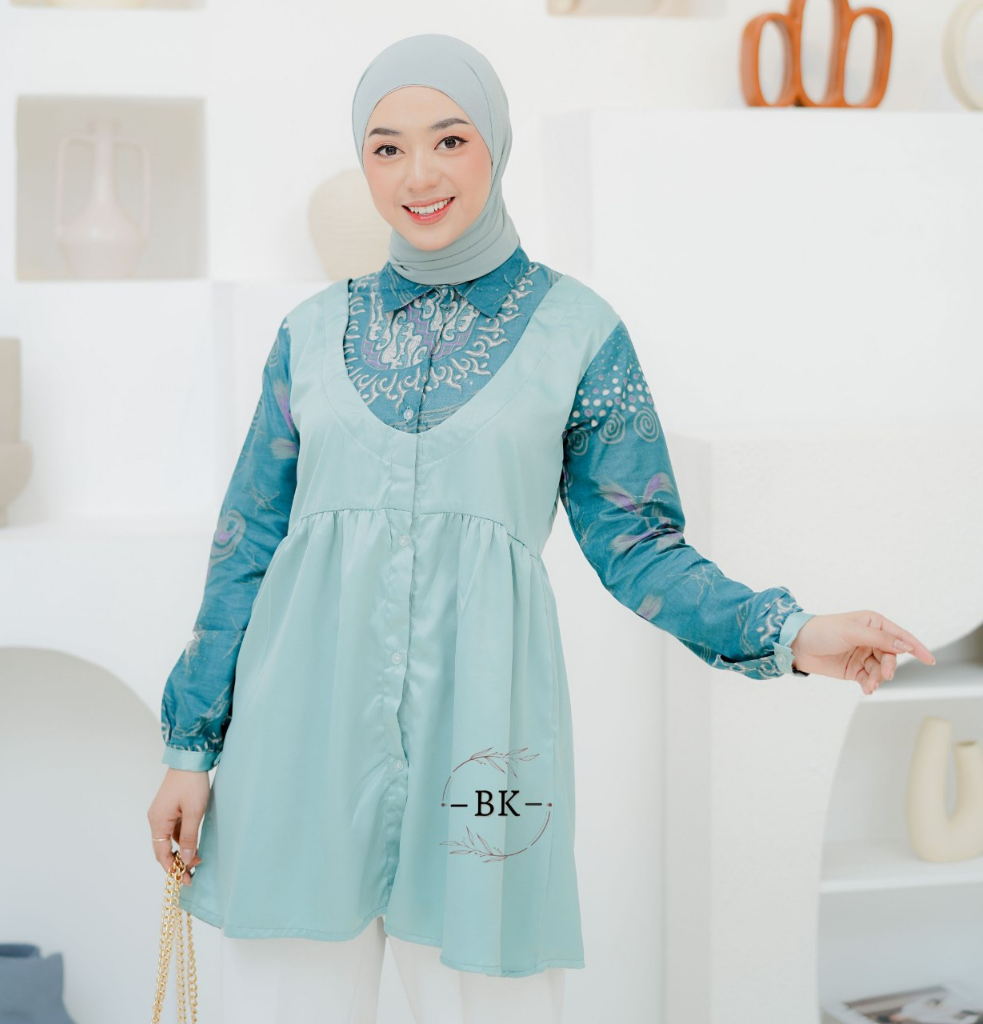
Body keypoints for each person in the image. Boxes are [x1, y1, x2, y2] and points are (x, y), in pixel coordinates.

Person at [146, 32, 936, 1024]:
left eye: (450, 139)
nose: (419, 174)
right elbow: (245, 548)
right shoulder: (308, 334)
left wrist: (791, 632)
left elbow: (638, 543)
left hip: (487, 748)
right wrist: (190, 749)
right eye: (387, 148)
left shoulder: (579, 333)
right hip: (295, 745)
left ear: (496, 144)